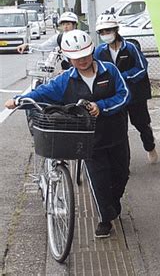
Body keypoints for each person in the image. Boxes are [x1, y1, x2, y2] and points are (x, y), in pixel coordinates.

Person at [5, 30, 131, 238]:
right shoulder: (65, 80)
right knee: (99, 180)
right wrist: (19, 100)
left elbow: (124, 94)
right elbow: (42, 93)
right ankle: (105, 219)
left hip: (116, 135)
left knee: (121, 175)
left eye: (84, 55)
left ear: (92, 52)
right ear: (68, 58)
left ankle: (113, 205)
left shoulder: (109, 71)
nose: (81, 61)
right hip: (89, 141)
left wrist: (101, 106)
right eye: (75, 58)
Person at [93, 14, 158, 164]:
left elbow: (142, 68)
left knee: (142, 124)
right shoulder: (100, 51)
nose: (105, 35)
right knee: (119, 130)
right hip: (115, 97)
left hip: (135, 95)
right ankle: (123, 161)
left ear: (116, 30)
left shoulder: (130, 48)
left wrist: (122, 76)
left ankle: (150, 147)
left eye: (108, 31)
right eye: (102, 32)